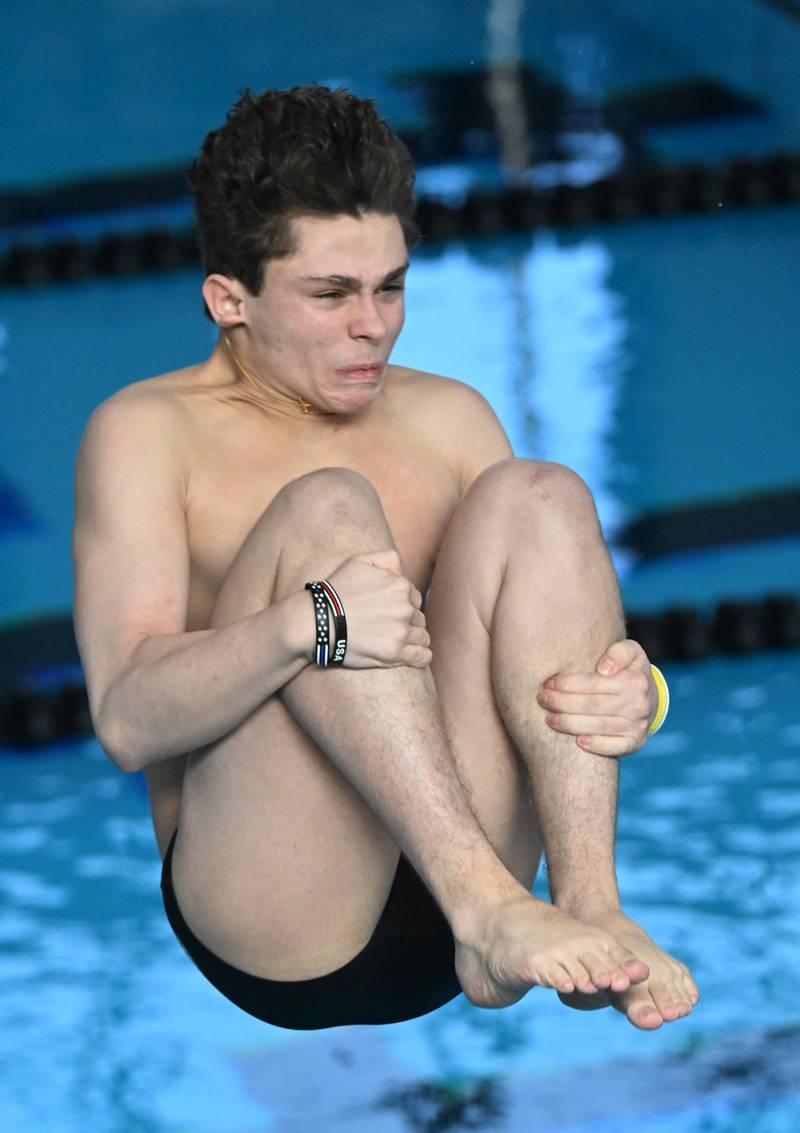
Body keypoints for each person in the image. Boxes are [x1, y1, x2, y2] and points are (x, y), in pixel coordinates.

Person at [72, 84, 698, 1032]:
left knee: (543, 495)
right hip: (279, 913)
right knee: (328, 510)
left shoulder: (445, 415)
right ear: (228, 299)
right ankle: (483, 905)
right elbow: (125, 720)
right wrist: (303, 627)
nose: (374, 325)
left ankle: (592, 900)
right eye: (330, 294)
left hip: (478, 884)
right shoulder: (146, 434)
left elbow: (546, 625)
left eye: (391, 285)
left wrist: (638, 696)